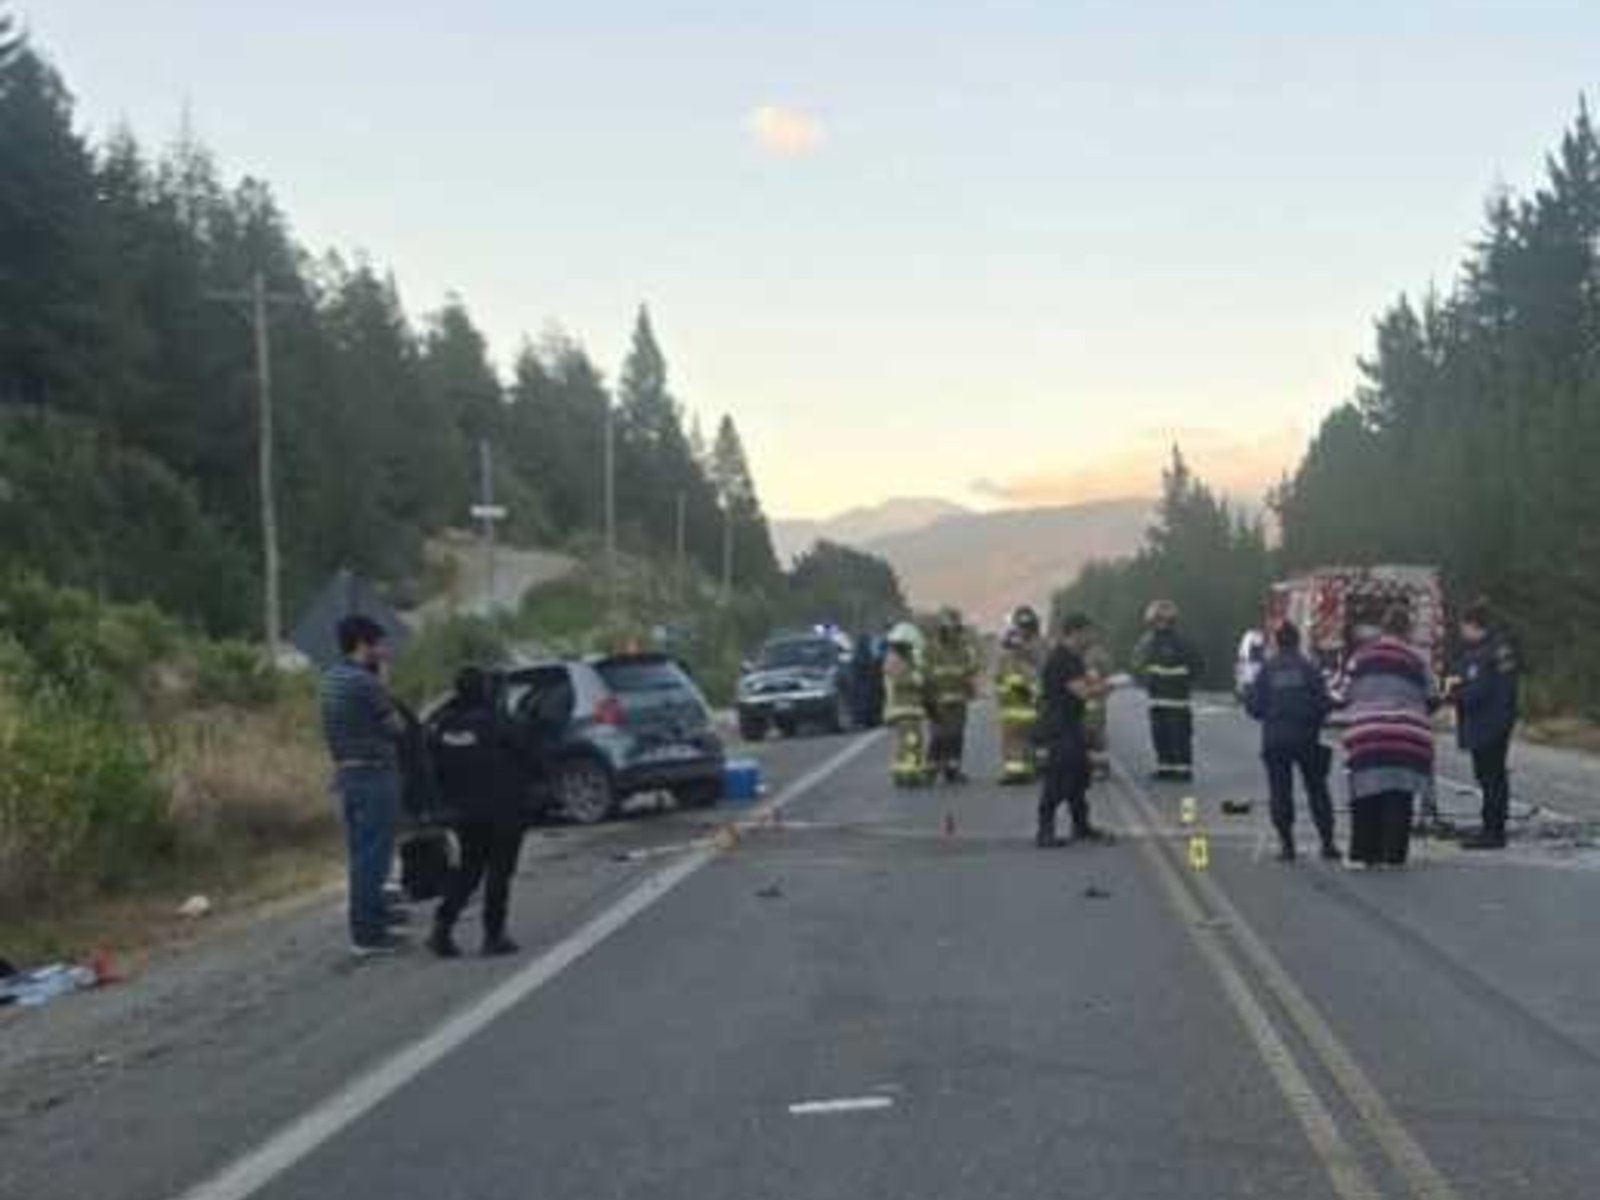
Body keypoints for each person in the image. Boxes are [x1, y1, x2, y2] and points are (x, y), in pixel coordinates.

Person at [321, 614, 406, 956]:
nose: (383, 651)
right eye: (379, 644)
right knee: (374, 856)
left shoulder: (331, 678)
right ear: (362, 644)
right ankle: (368, 934)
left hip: (347, 775)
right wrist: (384, 679)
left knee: (361, 855)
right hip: (373, 775)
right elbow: (396, 726)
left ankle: (373, 920)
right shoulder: (365, 683)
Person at [427, 667, 526, 958]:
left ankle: (441, 927)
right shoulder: (496, 723)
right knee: (499, 871)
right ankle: (493, 935)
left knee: (469, 870)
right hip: (502, 806)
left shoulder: (443, 727)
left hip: (464, 811)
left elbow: (433, 767)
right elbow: (527, 754)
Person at [1342, 605, 1434, 868]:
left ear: (1383, 628)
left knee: (1366, 791)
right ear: (1407, 631)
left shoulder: (1361, 656)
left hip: (1367, 734)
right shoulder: (1417, 660)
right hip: (1407, 736)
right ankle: (1393, 856)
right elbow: (1431, 697)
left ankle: (1363, 854)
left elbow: (1343, 692)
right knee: (1399, 793)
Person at [1246, 621, 1339, 862]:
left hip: (1275, 738)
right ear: (1298, 641)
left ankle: (1287, 847)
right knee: (1317, 789)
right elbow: (1324, 703)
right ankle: (1328, 844)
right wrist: (1314, 718)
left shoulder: (1267, 670)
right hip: (1306, 736)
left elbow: (1254, 707)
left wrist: (1272, 714)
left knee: (1280, 791)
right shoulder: (1309, 669)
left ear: (1277, 642)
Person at [1036, 613, 1112, 847]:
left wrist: (1097, 686)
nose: (1091, 638)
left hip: (1072, 723)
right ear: (1075, 632)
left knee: (1080, 776)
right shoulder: (1061, 659)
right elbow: (1082, 691)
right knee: (1059, 778)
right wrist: (1109, 687)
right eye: (1088, 633)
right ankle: (1045, 831)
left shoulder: (1074, 658)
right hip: (1060, 725)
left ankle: (1081, 826)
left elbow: (1086, 685)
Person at [1451, 601, 1520, 850]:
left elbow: (1474, 691)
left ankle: (1492, 832)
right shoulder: (1498, 649)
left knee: (1490, 778)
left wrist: (1450, 694)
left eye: (1463, 627)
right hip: (1498, 721)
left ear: (1472, 625)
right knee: (1494, 777)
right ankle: (1492, 827)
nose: (1461, 632)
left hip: (1487, 724)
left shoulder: (1483, 654)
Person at [1132, 600, 1203, 781]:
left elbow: (1197, 666)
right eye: (1157, 620)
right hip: (1159, 699)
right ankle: (1166, 768)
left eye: (1161, 620)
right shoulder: (1149, 642)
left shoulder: (1180, 643)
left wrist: (1182, 681)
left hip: (1175, 700)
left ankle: (1183, 770)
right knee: (1161, 736)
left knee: (1178, 736)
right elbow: (1137, 664)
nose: (1158, 624)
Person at [924, 608, 980, 784]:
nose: (954, 633)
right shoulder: (930, 649)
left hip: (958, 700)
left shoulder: (963, 649)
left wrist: (971, 687)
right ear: (942, 629)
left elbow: (970, 670)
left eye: (957, 629)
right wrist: (928, 699)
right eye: (951, 629)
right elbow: (924, 674)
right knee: (939, 735)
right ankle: (931, 769)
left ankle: (952, 769)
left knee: (956, 735)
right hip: (938, 700)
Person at [994, 605, 1046, 784]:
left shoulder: (1011, 657)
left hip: (1015, 708)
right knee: (1027, 740)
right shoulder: (1037, 649)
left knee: (1014, 741)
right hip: (1030, 706)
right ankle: (1029, 768)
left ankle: (1016, 771)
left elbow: (1003, 679)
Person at [883, 623, 931, 787]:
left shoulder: (895, 659)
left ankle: (905, 771)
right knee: (911, 741)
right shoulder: (898, 661)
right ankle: (909, 773)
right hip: (905, 708)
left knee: (908, 741)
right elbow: (908, 681)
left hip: (906, 709)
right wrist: (918, 676)